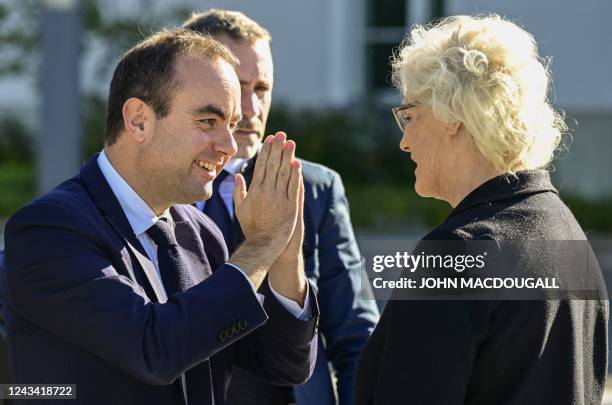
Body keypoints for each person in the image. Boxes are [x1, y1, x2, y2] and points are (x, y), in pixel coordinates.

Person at [0, 29, 320, 405]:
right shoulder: (48, 231)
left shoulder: (202, 233)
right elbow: (153, 348)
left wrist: (283, 254)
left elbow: (285, 365)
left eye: (231, 125)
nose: (229, 146)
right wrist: (260, 245)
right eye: (208, 121)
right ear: (138, 120)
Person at [355, 15, 608, 404]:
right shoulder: (566, 233)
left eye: (409, 115)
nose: (404, 141)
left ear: (452, 113)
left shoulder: (458, 252)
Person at [182, 10, 379, 405]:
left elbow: (355, 334)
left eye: (262, 88)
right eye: (237, 88)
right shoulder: (154, 189)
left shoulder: (315, 189)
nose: (252, 109)